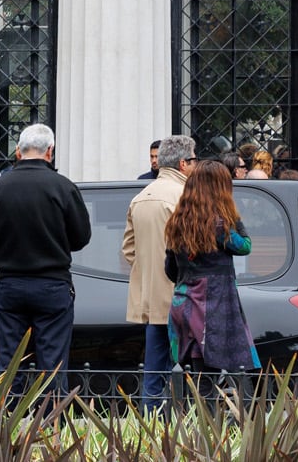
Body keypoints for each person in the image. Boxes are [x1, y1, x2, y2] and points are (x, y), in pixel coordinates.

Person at [0, 124, 92, 386]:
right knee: (52, 364)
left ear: (18, 151)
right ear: (50, 151)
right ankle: (52, 411)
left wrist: (5, 252)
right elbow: (81, 237)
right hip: (52, 283)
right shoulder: (63, 187)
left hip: (10, 281)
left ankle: (7, 409)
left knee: (11, 361)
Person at [164, 160, 258, 382]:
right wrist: (233, 216)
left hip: (183, 304)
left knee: (192, 378)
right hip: (212, 308)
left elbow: (170, 270)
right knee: (210, 382)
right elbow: (245, 246)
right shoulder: (219, 225)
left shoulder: (177, 222)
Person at [123, 135, 193, 408]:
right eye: (194, 159)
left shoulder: (141, 197)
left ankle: (149, 421)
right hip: (183, 295)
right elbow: (194, 247)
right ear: (183, 163)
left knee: (153, 372)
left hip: (152, 299)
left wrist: (149, 270)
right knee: (184, 372)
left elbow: (129, 250)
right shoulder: (185, 197)